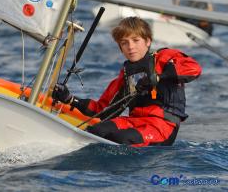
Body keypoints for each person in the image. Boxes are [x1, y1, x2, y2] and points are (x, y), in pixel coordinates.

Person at [52, 16, 202, 147]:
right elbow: (103, 109)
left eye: (136, 40)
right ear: (120, 48)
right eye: (124, 43)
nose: (131, 47)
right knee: (95, 131)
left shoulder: (164, 57)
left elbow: (194, 69)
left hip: (162, 127)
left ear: (148, 41)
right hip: (134, 122)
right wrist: (69, 99)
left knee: (121, 138)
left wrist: (158, 77)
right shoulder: (125, 74)